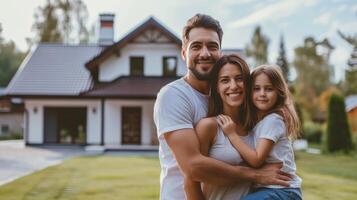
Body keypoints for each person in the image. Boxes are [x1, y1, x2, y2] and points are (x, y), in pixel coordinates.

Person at [153, 14, 291, 200]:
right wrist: (256, 175)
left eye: (212, 46)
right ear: (184, 53)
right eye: (196, 46)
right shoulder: (173, 96)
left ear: (220, 52)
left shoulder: (238, 108)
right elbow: (192, 168)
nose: (205, 53)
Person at [217, 64, 303, 200]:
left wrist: (232, 134)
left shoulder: (272, 121)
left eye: (269, 89)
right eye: (256, 89)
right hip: (273, 190)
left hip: (282, 190)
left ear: (279, 92)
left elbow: (256, 160)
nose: (262, 94)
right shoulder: (262, 122)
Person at [184, 54, 256, 200]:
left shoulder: (256, 127)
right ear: (216, 87)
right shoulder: (209, 126)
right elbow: (190, 182)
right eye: (225, 80)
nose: (234, 86)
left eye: (239, 78)